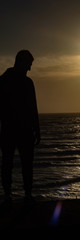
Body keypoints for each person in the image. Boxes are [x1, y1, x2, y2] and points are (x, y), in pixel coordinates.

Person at [0, 50, 40, 203]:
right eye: (28, 64)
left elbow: (33, 107)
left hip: (23, 130)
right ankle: (9, 194)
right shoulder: (4, 80)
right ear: (21, 62)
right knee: (8, 163)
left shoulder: (26, 83)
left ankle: (25, 194)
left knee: (24, 164)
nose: (29, 68)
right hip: (10, 129)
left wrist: (37, 128)